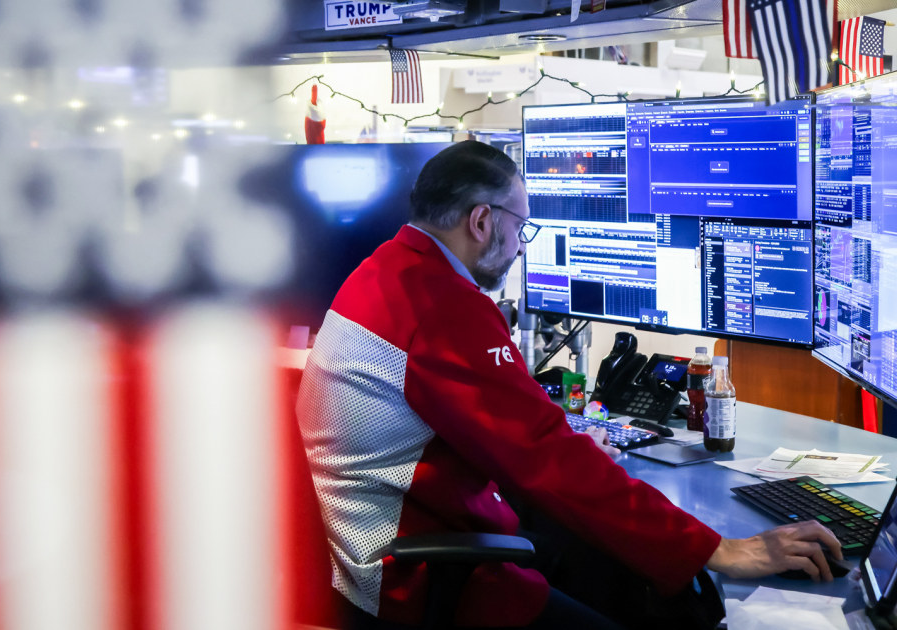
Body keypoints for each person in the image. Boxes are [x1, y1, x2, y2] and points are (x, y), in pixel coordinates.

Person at [296, 140, 841, 629]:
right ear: (482, 221)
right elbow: (544, 458)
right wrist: (718, 550)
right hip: (410, 579)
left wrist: (566, 446)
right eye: (521, 227)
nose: (521, 245)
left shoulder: (385, 270)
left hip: (376, 549)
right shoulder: (443, 308)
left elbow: (504, 433)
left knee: (599, 563)